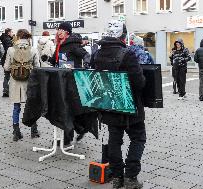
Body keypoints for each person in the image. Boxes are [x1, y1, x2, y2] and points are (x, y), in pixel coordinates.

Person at [91, 20, 146, 189]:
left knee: (115, 140)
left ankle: (117, 178)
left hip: (109, 105)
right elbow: (139, 83)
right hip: (130, 108)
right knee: (138, 138)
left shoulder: (97, 54)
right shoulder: (127, 54)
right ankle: (130, 177)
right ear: (123, 36)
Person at [49, 22, 91, 144]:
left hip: (72, 81)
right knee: (64, 109)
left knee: (69, 109)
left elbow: (86, 55)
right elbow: (55, 61)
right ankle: (71, 134)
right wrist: (48, 59)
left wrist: (87, 64)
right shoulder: (59, 45)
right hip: (61, 81)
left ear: (67, 32)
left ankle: (74, 132)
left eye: (62, 30)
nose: (59, 32)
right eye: (58, 30)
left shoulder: (72, 45)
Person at [4, 29, 40, 141]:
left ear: (18, 37)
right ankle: (34, 130)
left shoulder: (11, 50)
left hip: (15, 82)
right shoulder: (33, 49)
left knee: (16, 107)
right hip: (29, 82)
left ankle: (16, 132)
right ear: (27, 37)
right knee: (31, 106)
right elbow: (37, 67)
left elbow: (6, 67)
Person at [0, 28, 14, 97]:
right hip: (8, 60)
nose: (13, 33)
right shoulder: (8, 40)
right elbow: (10, 51)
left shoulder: (4, 39)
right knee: (9, 76)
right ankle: (6, 90)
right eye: (12, 32)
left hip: (4, 60)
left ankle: (6, 90)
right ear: (8, 33)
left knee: (6, 75)